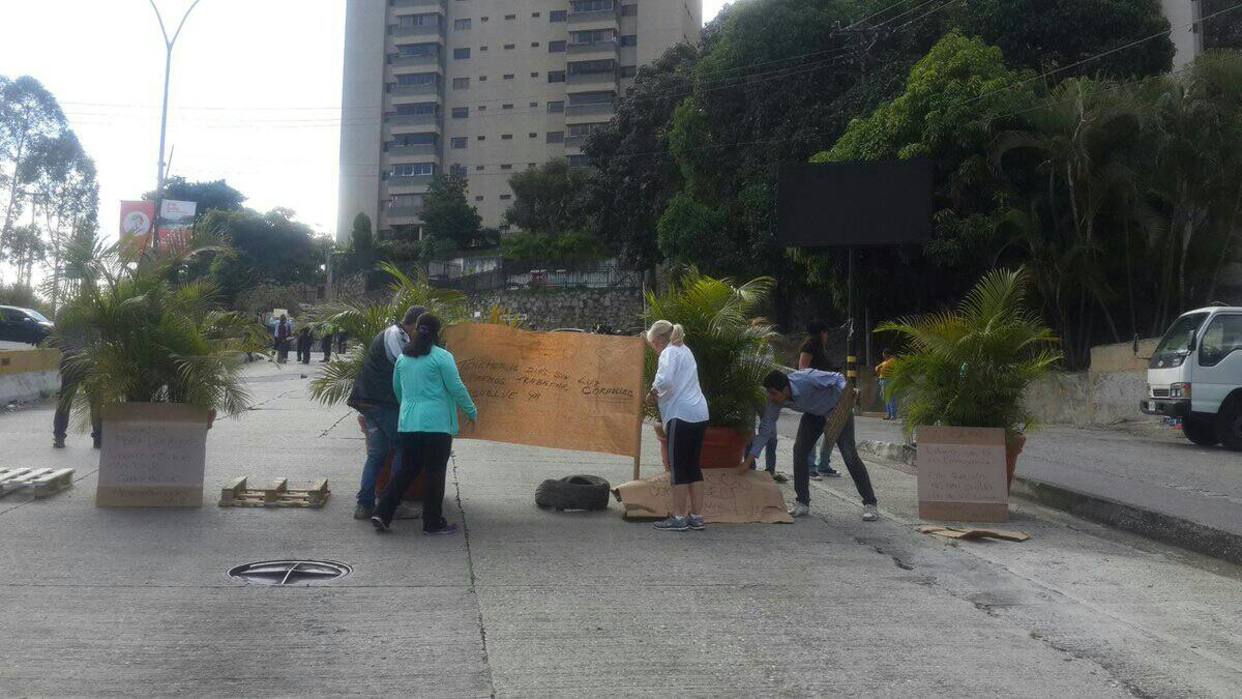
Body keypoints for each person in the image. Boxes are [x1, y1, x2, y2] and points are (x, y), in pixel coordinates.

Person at [372, 313, 477, 536]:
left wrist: (409, 411)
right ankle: (432, 522)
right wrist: (471, 411)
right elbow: (456, 387)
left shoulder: (403, 359)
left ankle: (382, 513)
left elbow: (398, 390)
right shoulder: (442, 357)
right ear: (437, 332)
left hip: (409, 423)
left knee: (405, 471)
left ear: (417, 330)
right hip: (436, 425)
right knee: (435, 473)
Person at [740, 369, 879, 522]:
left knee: (849, 455)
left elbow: (836, 378)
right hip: (813, 415)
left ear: (785, 389)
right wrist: (748, 462)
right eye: (769, 393)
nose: (771, 398)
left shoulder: (806, 378)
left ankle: (870, 503)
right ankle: (802, 502)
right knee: (799, 451)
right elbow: (765, 430)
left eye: (773, 393)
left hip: (838, 409)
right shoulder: (774, 401)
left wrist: (846, 391)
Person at [347, 306, 425, 520]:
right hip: (381, 403)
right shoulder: (394, 336)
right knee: (402, 446)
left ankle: (364, 506)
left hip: (369, 402)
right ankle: (393, 504)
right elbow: (407, 367)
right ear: (415, 324)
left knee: (377, 455)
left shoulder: (395, 334)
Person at [645, 320, 711, 532]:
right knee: (693, 466)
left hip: (680, 414)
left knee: (679, 468)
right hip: (699, 413)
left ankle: (679, 516)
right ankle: (697, 515)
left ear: (659, 340)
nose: (655, 350)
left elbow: (664, 380)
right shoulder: (686, 350)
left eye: (654, 344)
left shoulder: (668, 353)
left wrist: (652, 392)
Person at [798, 320, 841, 480]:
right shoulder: (809, 347)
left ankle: (823, 464)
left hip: (827, 395)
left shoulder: (819, 348)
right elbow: (803, 369)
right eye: (826, 333)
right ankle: (810, 467)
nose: (827, 336)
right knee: (813, 432)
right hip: (815, 396)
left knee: (831, 429)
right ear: (822, 332)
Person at [876, 349, 898, 420]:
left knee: (891, 398)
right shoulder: (886, 361)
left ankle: (893, 415)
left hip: (889, 380)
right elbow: (877, 368)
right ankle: (889, 414)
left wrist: (879, 368)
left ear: (886, 354)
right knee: (887, 399)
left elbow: (880, 368)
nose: (883, 356)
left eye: (884, 354)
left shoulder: (892, 361)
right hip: (883, 380)